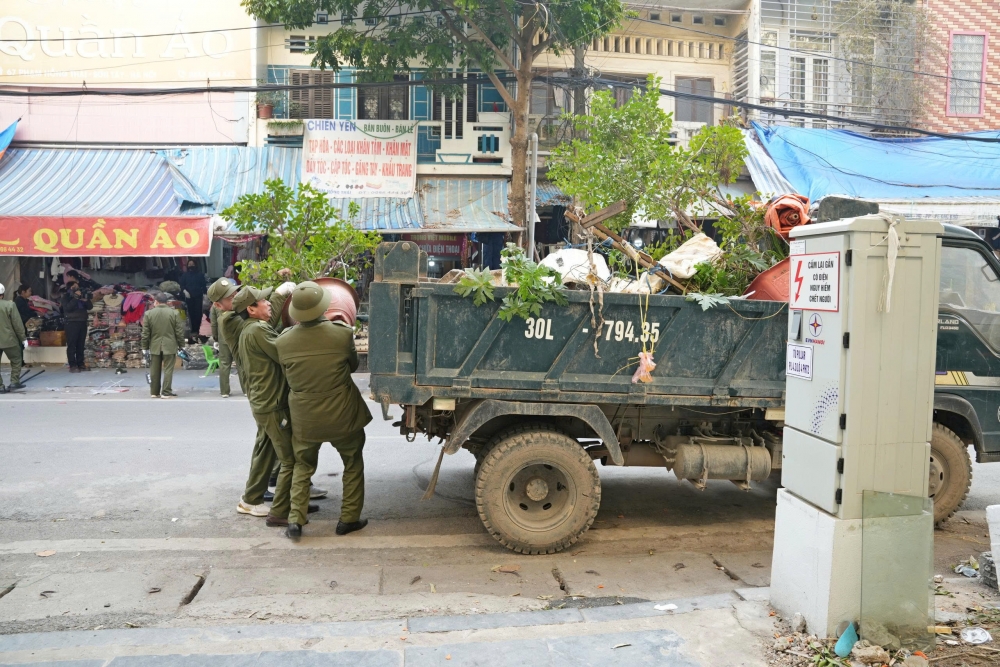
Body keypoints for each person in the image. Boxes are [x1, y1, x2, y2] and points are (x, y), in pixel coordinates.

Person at [276, 282, 372, 540]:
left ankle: (295, 520)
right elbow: (352, 365)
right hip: (343, 415)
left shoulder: (283, 342)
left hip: (305, 418)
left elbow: (288, 376)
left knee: (302, 466)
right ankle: (348, 519)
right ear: (323, 307)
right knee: (352, 463)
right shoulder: (341, 334)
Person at [233, 286, 298, 527]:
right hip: (272, 404)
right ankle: (283, 510)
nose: (269, 303)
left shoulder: (249, 329)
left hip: (262, 402)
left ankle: (250, 500)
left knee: (264, 453)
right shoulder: (259, 329)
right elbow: (285, 353)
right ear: (251, 309)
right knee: (290, 459)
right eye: (263, 300)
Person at [141, 292, 186, 399]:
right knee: (168, 369)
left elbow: (145, 333)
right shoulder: (174, 313)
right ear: (167, 302)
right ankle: (166, 392)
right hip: (170, 345)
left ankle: (154, 392)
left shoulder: (148, 314)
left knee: (154, 370)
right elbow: (179, 332)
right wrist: (181, 345)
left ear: (156, 301)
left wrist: (145, 347)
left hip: (155, 345)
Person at [61, 277, 92, 373]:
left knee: (81, 344)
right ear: (70, 288)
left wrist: (85, 299)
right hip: (71, 322)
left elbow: (90, 307)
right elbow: (68, 308)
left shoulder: (81, 295)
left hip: (82, 322)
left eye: (78, 287)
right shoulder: (66, 297)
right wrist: (75, 298)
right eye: (75, 287)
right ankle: (72, 365)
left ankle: (80, 364)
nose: (77, 289)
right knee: (72, 344)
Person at [0, 283, 27, 393]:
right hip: (9, 340)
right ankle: (14, 381)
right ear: (2, 294)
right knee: (16, 360)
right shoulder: (9, 305)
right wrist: (23, 338)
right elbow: (17, 323)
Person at [179, 261, 207, 341]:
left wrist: (205, 294)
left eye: (192, 264)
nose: (191, 265)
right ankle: (192, 330)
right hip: (189, 297)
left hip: (198, 296)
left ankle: (197, 329)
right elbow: (182, 285)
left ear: (195, 265)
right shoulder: (185, 275)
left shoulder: (200, 275)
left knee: (198, 313)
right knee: (191, 314)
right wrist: (184, 291)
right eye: (189, 264)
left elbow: (203, 285)